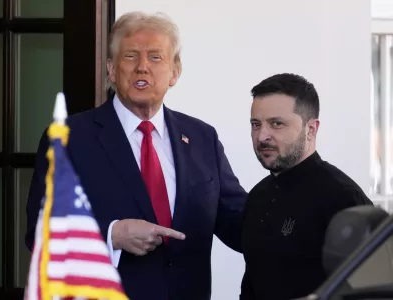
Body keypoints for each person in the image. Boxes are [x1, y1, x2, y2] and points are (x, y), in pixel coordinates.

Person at [25, 11, 247, 300]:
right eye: (130, 56)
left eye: (155, 57)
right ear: (112, 70)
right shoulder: (70, 138)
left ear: (175, 72)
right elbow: (39, 232)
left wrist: (297, 203)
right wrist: (112, 235)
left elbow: (238, 221)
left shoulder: (203, 137)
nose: (142, 67)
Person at [240, 73, 373, 300]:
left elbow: (371, 290)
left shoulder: (342, 198)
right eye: (256, 124)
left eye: (277, 124)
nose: (262, 136)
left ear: (311, 129)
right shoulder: (257, 197)